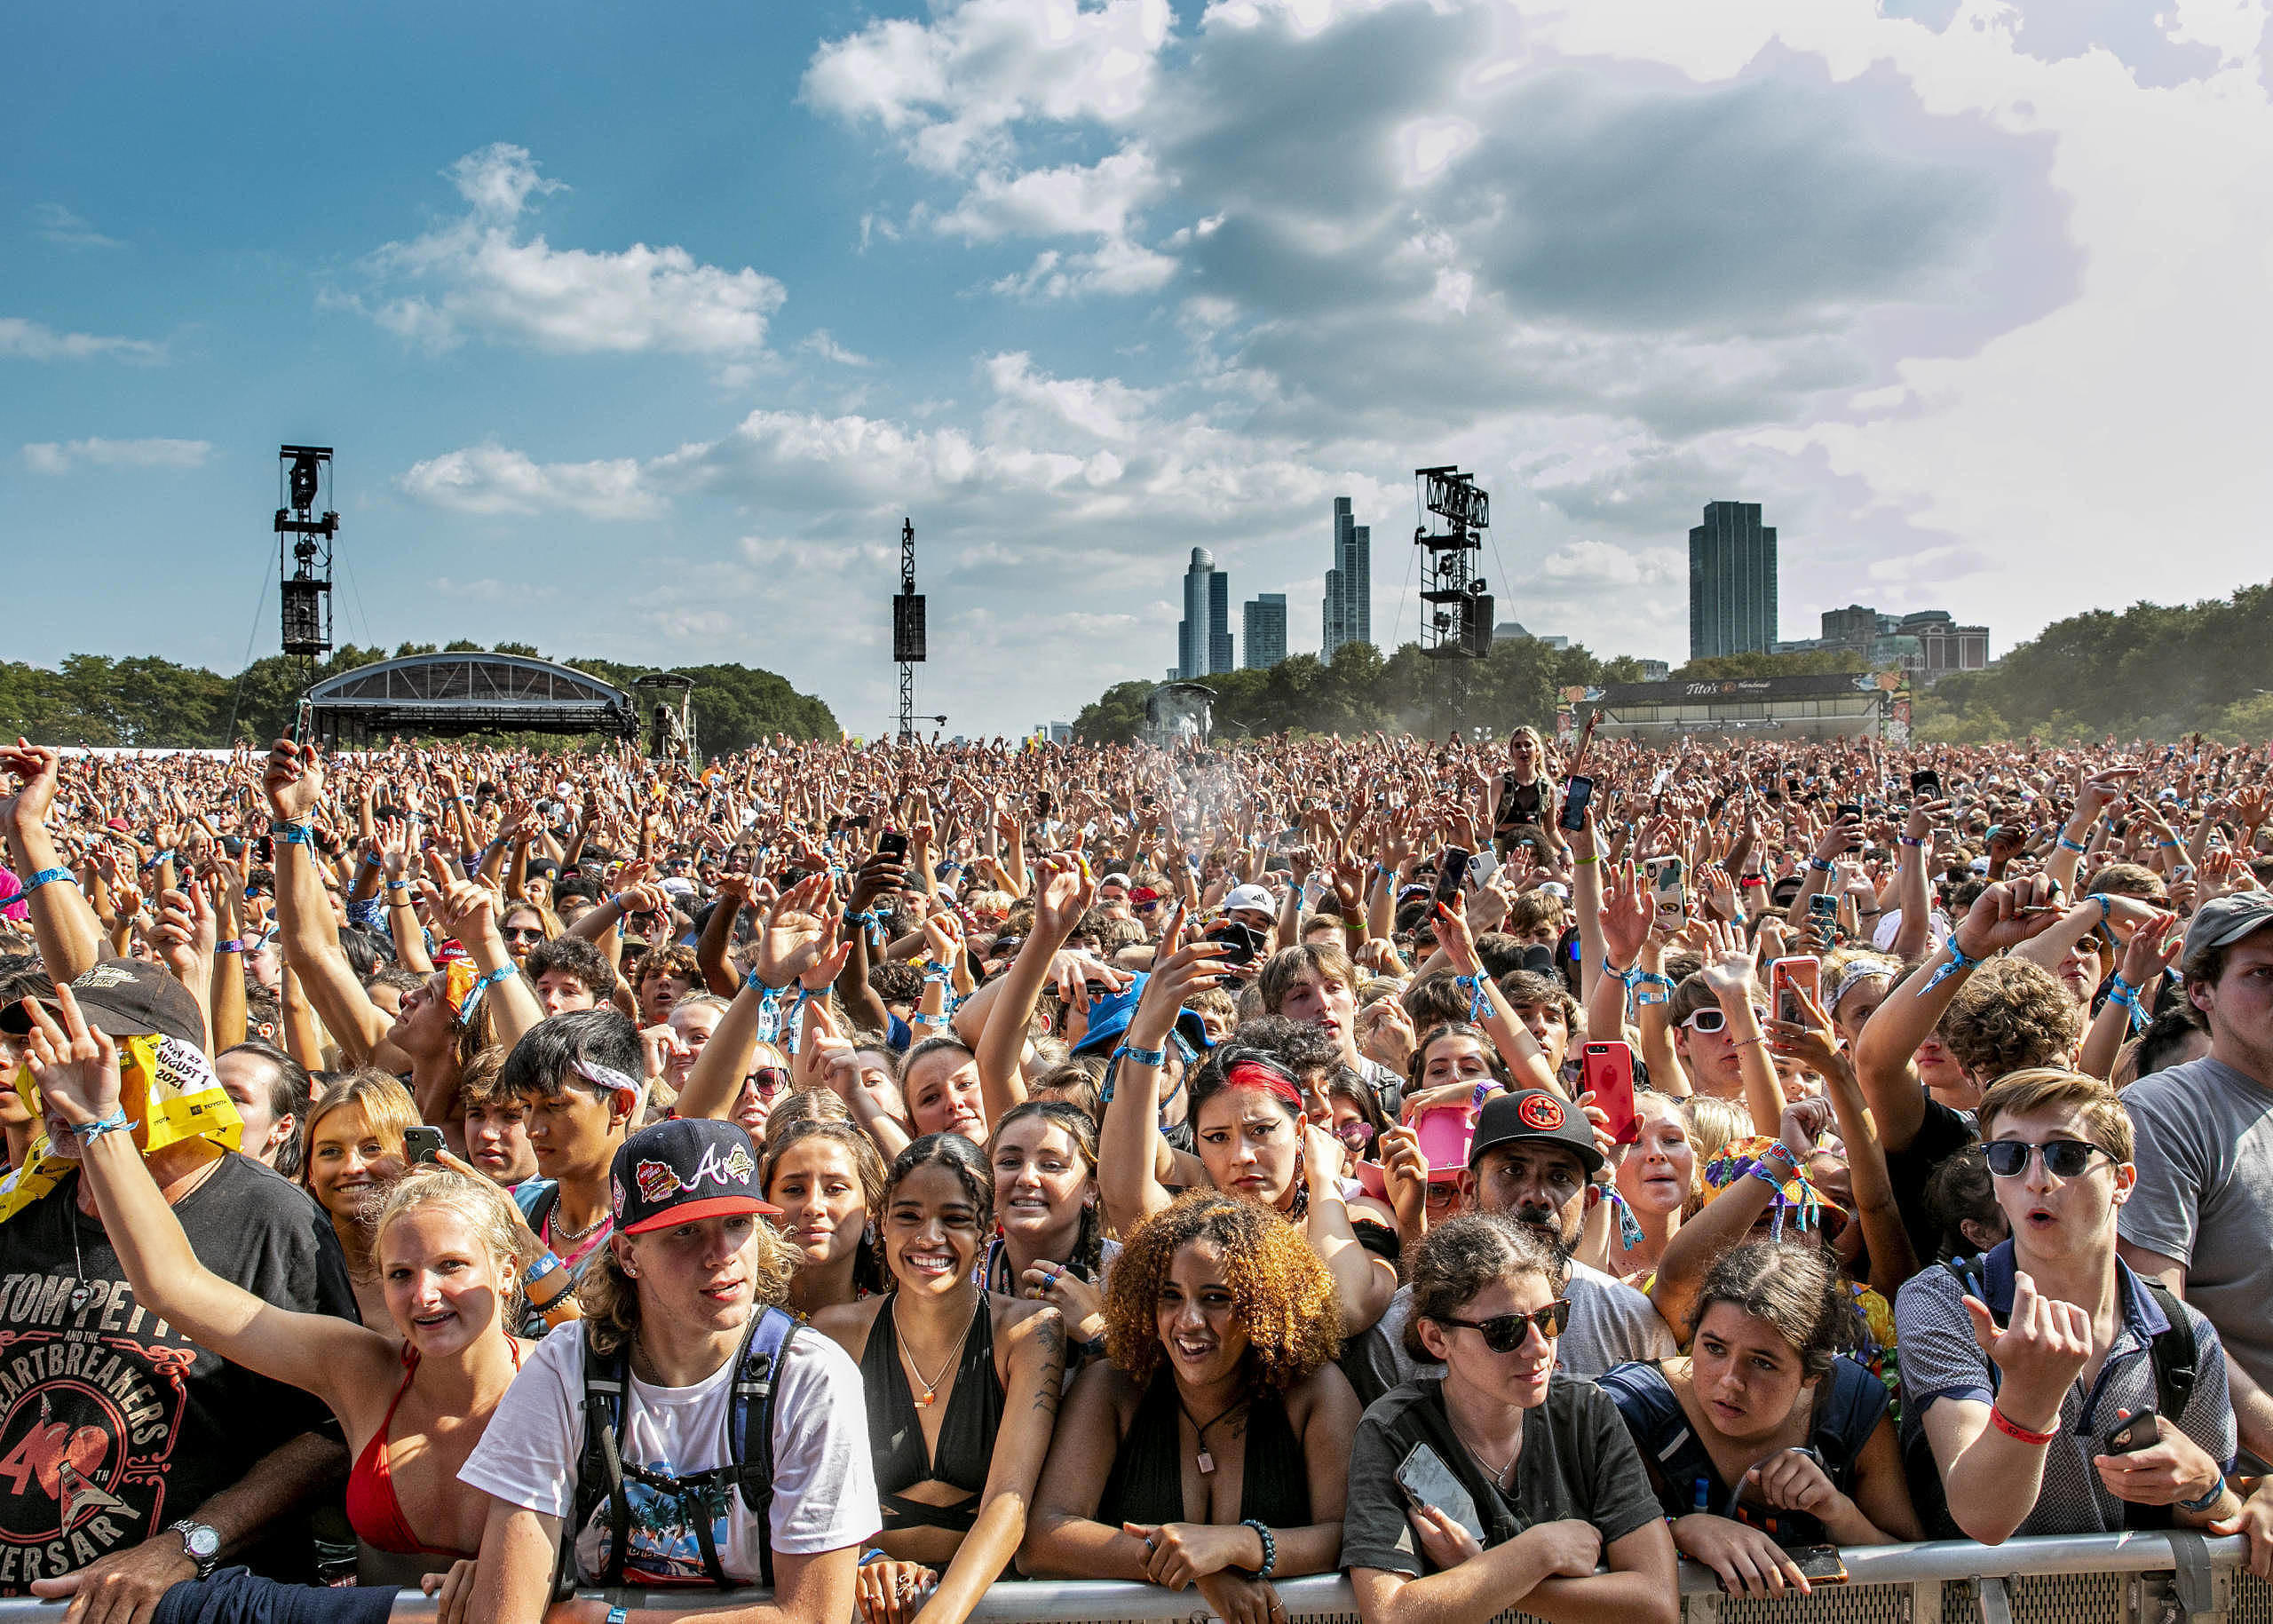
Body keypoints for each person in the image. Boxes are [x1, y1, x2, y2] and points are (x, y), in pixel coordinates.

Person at [24, 978, 562, 1612]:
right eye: (400, 1274)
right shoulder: (362, 1368)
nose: (426, 1294)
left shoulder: (560, 1376)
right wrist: (101, 1122)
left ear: (505, 1270)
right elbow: (171, 1283)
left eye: (451, 1265)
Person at [0, 970, 354, 1605]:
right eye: (45, 1050)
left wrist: (186, 1545)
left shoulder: (271, 1216)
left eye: (86, 1053)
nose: (52, 1076)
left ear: (169, 1073)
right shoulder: (19, 1204)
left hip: (183, 1605)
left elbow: (331, 1431)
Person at [460, 1117, 880, 1622]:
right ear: (627, 1254)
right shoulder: (566, 1365)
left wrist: (610, 1620)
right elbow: (504, 1615)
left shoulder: (811, 1377)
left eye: (737, 1224)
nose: (722, 1255)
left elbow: (812, 1616)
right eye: (685, 1232)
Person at [1894, 1068, 2238, 1541]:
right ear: (1995, 1183)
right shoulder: (1948, 1300)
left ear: (2122, 1182)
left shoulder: (2182, 1332)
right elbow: (1982, 1518)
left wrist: (2206, 1488)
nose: (2037, 1179)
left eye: (2067, 1155)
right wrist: (2028, 1400)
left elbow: (2217, 1517)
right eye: (2009, 1155)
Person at [1024, 1192, 1360, 1624]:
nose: (1188, 1321)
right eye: (1170, 1295)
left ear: (1266, 1306)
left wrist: (1239, 1546)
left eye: (1216, 1298)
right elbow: (1042, 1539)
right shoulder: (1111, 1387)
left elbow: (1352, 1537)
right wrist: (1189, 1569)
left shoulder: (1315, 1389)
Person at [1343, 1215, 1675, 1624]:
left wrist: (1482, 1570)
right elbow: (1390, 1614)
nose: (1539, 1348)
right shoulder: (1394, 1430)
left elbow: (1657, 1602)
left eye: (1551, 1318)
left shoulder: (1586, 1411)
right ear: (1435, 1338)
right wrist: (1537, 1551)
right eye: (1505, 1331)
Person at [812, 1136, 1063, 1624]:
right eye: (908, 1216)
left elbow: (1008, 1502)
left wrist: (940, 1615)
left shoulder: (1030, 1332)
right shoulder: (834, 1332)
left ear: (988, 1231)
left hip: (990, 1604)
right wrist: (865, 1562)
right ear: (881, 1223)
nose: (929, 1238)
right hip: (867, 1604)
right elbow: (819, 1495)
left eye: (953, 1219)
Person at [1601, 1240, 1920, 1597]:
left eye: (1763, 1362)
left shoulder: (1851, 1407)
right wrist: (1681, 1531)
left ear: (1813, 1373)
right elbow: (1574, 1547)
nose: (1730, 1381)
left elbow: (1920, 1570)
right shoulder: (1631, 1410)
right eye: (1714, 1348)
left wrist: (1839, 1514)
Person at [2115, 892, 2273, 1569]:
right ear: (2200, 990)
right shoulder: (2166, 1111)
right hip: (2240, 1491)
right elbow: (2159, 1312)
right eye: (2262, 972)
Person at [1351, 1089, 1676, 1404]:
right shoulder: (1396, 1331)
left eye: (1561, 1177)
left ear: (1589, 1203)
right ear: (1468, 1189)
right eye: (1513, 1171)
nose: (1537, 1196)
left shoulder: (1634, 1323)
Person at [502, 1009, 644, 1287]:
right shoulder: (517, 1204)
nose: (533, 1130)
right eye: (526, 1106)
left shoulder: (649, 1232)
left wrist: (524, 1242)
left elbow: (596, 1331)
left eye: (554, 1106)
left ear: (620, 1106)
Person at [986, 1099, 1114, 1358]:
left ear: (1090, 1189)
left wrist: (1096, 1329)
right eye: (1010, 1162)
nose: (1027, 1179)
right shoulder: (966, 1274)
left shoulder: (1124, 1273)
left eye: (1051, 1165)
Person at [299, 1069, 418, 1327]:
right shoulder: (292, 1270)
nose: (352, 1167)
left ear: (409, 1157)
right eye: (330, 1151)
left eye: (372, 1148)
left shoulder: (448, 1264)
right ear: (310, 1171)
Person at [764, 1115, 889, 1313]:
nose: (814, 1207)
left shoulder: (897, 1322)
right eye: (795, 1190)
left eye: (835, 1189)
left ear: (870, 1206)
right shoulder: (740, 1321)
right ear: (767, 1200)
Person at [213, 1038, 308, 1174]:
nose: (209, 1105)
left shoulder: (284, 1195)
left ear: (282, 1128)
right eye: (204, 1093)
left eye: (233, 1099)